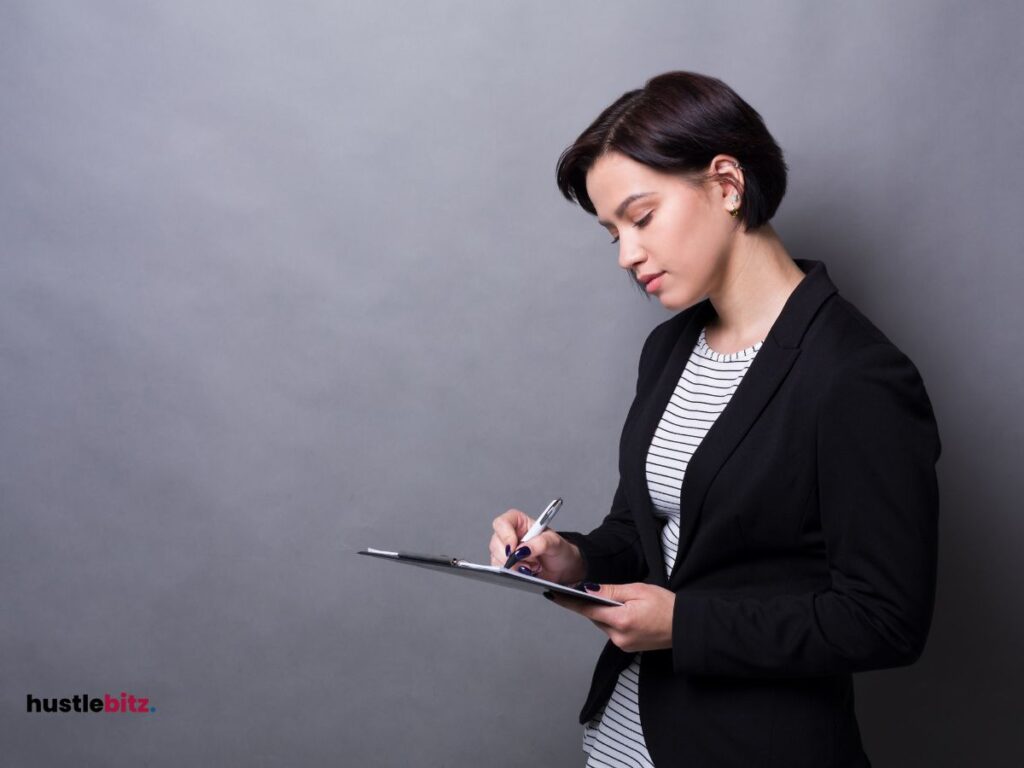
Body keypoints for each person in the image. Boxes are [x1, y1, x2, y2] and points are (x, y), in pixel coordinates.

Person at [488, 71, 941, 768]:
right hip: (625, 739)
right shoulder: (669, 349)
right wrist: (568, 559)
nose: (627, 255)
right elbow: (651, 538)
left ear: (727, 184)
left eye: (641, 218)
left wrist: (684, 625)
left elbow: (884, 621)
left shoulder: (855, 376)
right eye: (612, 234)